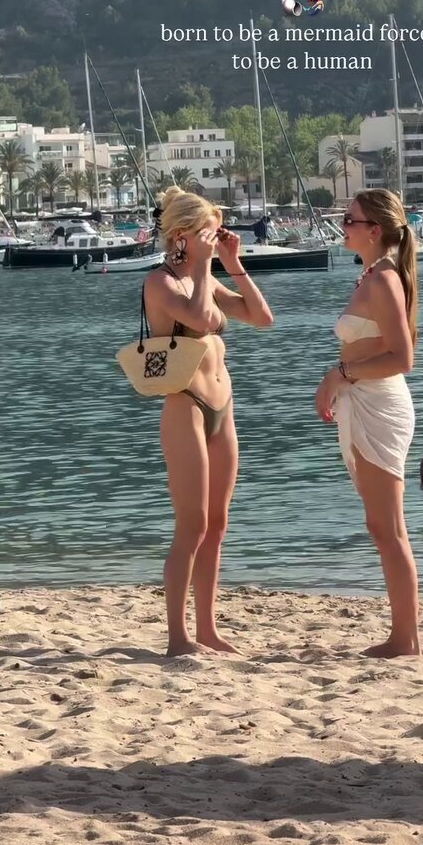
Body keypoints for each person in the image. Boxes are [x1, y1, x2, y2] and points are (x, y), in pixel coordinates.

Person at [143, 186, 274, 656]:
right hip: (186, 408)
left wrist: (232, 264)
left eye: (216, 232)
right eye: (208, 233)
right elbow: (199, 322)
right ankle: (178, 637)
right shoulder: (160, 283)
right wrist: (201, 266)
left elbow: (262, 318)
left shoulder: (209, 278)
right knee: (192, 526)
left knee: (217, 524)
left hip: (224, 409)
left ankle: (207, 629)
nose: (215, 239)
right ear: (181, 234)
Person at [315, 188, 419, 658]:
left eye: (349, 219)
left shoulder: (384, 280)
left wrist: (339, 374)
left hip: (379, 403)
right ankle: (403, 636)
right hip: (363, 399)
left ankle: (405, 639)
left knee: (387, 527)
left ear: (373, 230)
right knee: (381, 525)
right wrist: (340, 379)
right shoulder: (371, 276)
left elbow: (402, 358)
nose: (342, 226)